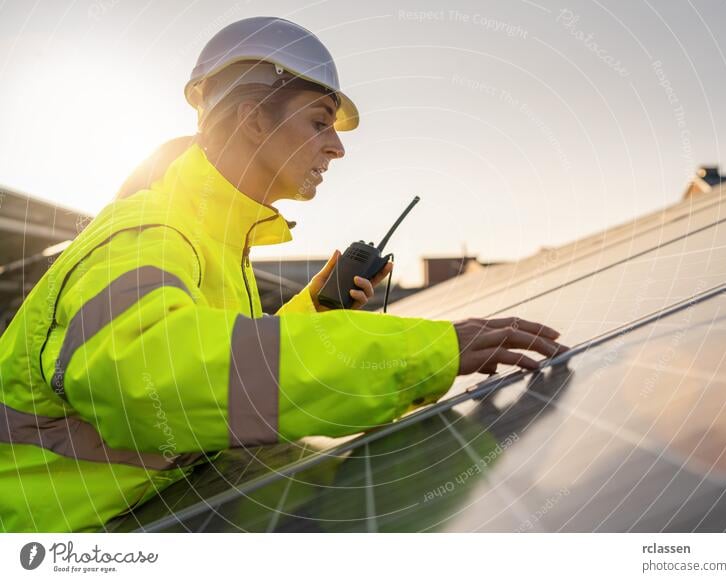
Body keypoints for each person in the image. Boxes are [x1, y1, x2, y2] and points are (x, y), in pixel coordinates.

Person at [0, 16, 567, 532]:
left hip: (151, 506)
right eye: (320, 121)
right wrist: (418, 355)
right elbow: (155, 375)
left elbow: (222, 362)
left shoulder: (212, 240)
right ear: (251, 119)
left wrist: (313, 312)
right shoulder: (147, 232)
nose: (337, 148)